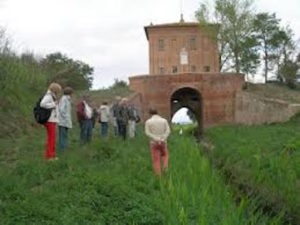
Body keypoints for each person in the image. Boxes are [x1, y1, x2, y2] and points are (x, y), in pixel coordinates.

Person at [145, 108, 170, 176]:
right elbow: (168, 131)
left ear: (150, 114)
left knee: (156, 160)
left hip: (154, 143)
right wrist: (162, 138)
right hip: (163, 142)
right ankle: (165, 169)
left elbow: (147, 132)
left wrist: (156, 139)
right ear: (157, 112)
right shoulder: (164, 120)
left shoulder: (148, 122)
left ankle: (158, 175)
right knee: (165, 156)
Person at [40, 82, 62, 160]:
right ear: (55, 89)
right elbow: (42, 104)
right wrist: (53, 104)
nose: (59, 92)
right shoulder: (48, 96)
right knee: (51, 138)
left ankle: (52, 155)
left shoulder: (52, 96)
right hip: (50, 120)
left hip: (52, 120)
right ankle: (49, 157)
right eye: (58, 90)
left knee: (52, 138)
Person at [58, 87, 73, 151]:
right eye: (72, 93)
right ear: (70, 93)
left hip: (65, 121)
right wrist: (65, 117)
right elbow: (61, 109)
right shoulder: (64, 99)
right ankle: (62, 149)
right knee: (63, 135)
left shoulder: (67, 99)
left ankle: (64, 148)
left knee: (64, 135)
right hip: (63, 121)